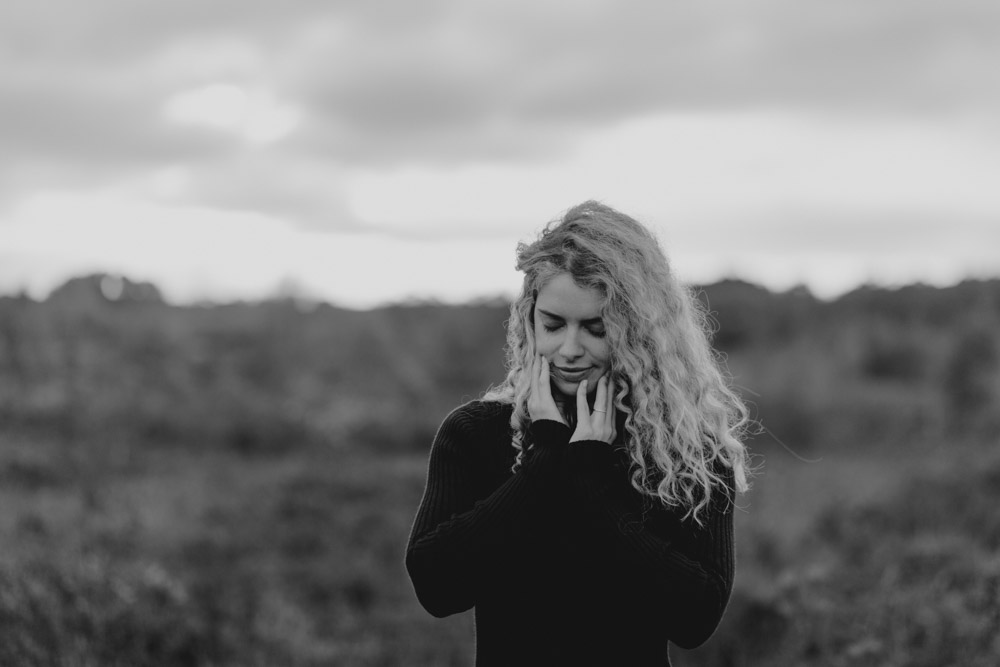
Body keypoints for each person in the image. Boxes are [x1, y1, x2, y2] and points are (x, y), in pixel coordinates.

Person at [405, 201, 751, 667]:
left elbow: (696, 620)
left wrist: (589, 482)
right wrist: (544, 461)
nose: (569, 350)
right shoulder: (474, 434)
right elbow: (437, 588)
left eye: (595, 328)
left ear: (639, 330)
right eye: (553, 324)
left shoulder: (687, 450)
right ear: (529, 320)